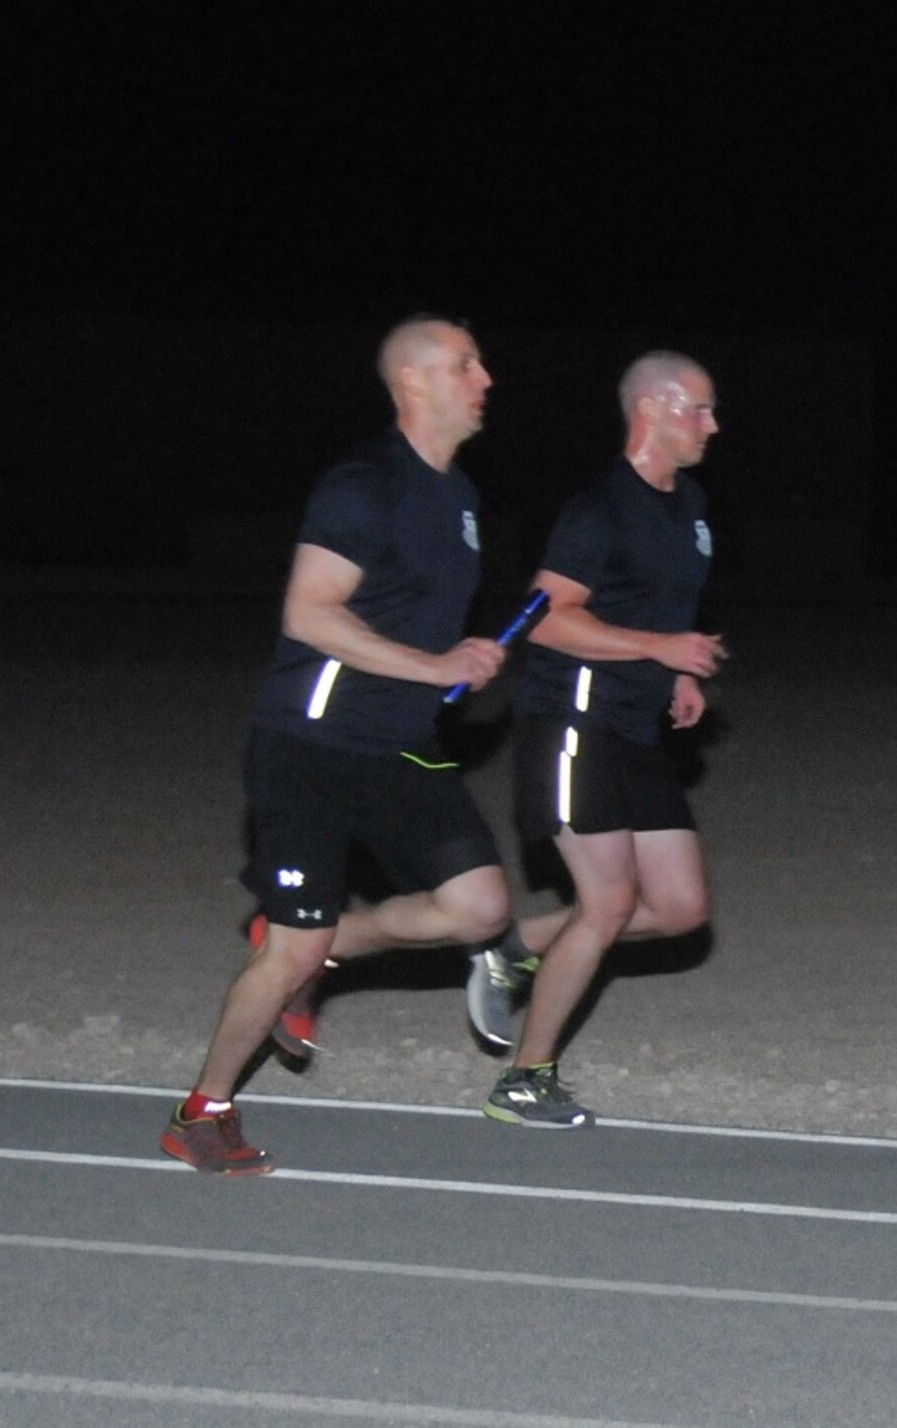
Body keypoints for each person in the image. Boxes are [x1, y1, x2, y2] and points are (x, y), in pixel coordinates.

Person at [161, 315, 512, 1174]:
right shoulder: (363, 485)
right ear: (413, 383)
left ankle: (328, 945)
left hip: (401, 745)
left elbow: (415, 625)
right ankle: (202, 1111)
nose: (486, 378)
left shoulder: (460, 499)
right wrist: (434, 664)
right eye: (466, 364)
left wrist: (458, 662)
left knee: (480, 907)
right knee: (290, 952)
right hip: (310, 746)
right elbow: (310, 613)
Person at [469, 351, 728, 1128]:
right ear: (650, 408)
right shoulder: (598, 509)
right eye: (700, 410)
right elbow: (545, 617)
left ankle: (516, 949)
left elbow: (657, 612)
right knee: (609, 903)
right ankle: (524, 1081)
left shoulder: (691, 507)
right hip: (573, 724)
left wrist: (677, 673)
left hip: (634, 727)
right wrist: (657, 649)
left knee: (681, 909)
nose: (713, 426)